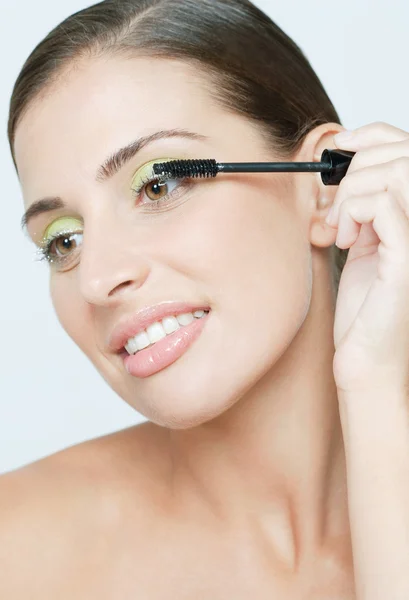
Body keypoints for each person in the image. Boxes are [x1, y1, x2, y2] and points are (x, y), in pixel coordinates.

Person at [3, 0, 409, 598]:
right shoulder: (18, 550)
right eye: (63, 239)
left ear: (327, 185)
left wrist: (375, 387)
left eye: (159, 183)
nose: (97, 278)